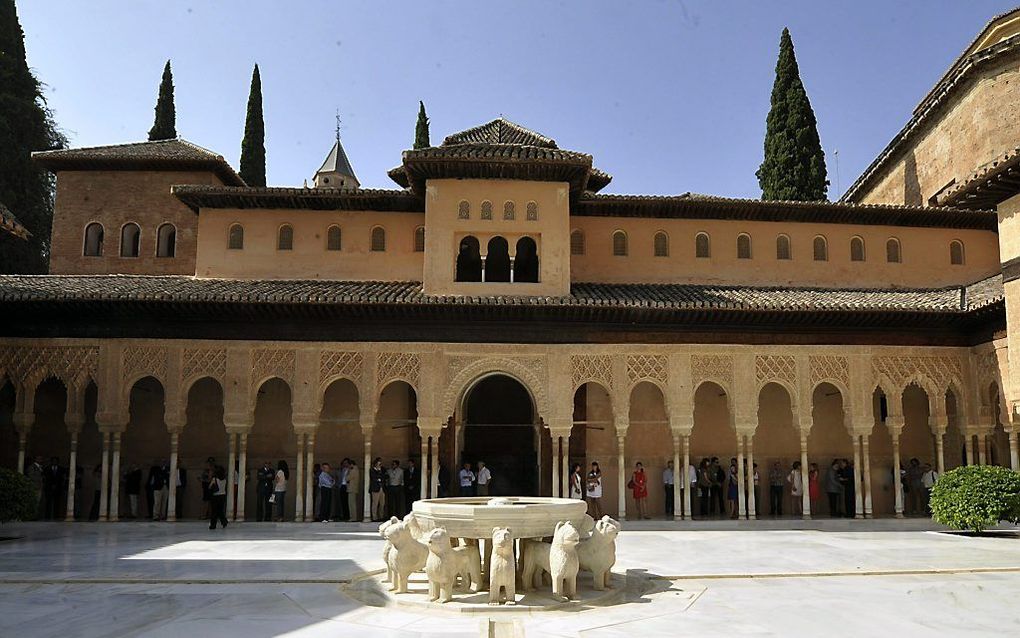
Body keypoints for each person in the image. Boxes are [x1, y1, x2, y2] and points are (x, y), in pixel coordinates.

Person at [208, 465, 228, 530]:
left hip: (216, 496)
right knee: (220, 510)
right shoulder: (225, 479)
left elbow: (210, 487)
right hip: (223, 496)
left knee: (214, 511)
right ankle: (224, 521)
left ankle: (213, 525)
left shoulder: (215, 479)